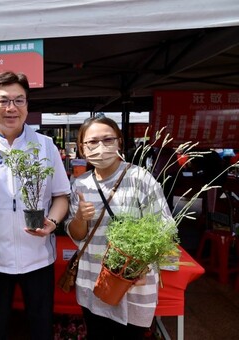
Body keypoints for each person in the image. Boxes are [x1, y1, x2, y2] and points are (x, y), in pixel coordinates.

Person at [0, 71, 70, 340]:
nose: (11, 108)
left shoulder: (45, 146)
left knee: (41, 326)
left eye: (19, 100)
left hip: (39, 257)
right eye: (3, 101)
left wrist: (52, 222)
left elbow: (62, 196)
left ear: (27, 106)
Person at [65, 114, 172, 339]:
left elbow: (165, 229)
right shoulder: (80, 184)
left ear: (119, 142)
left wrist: (141, 268)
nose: (100, 147)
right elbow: (77, 237)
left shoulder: (140, 179)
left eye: (108, 140)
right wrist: (80, 218)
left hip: (132, 285)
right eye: (92, 142)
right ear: (82, 149)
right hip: (92, 283)